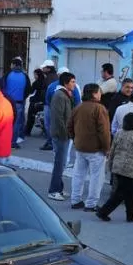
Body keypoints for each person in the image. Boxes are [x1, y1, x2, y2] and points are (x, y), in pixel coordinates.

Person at [97, 112, 133, 223]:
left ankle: (132, 215)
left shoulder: (119, 133)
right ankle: (103, 212)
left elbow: (113, 150)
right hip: (130, 169)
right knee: (121, 194)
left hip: (118, 167)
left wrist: (110, 165)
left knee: (129, 193)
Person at [67, 84, 111, 211]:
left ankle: (75, 200)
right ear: (94, 93)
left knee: (78, 174)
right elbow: (104, 131)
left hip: (80, 147)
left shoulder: (78, 107)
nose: (100, 94)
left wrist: (75, 139)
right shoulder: (99, 108)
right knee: (96, 177)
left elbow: (69, 126)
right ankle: (91, 204)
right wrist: (107, 148)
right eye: (99, 92)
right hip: (96, 149)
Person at [47, 71, 76, 200]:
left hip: (64, 134)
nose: (75, 84)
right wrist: (66, 134)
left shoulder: (66, 94)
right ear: (66, 83)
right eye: (73, 82)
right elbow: (58, 118)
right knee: (60, 163)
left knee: (62, 163)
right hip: (60, 135)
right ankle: (53, 190)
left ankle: (59, 188)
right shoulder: (59, 95)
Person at [43, 66, 82, 151]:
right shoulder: (59, 92)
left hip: (61, 122)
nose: (74, 84)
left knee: (59, 151)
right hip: (64, 124)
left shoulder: (53, 87)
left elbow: (48, 100)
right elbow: (77, 101)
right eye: (72, 81)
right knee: (62, 152)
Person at [1, 57, 30, 148]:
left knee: (6, 121)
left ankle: (4, 140)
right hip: (18, 102)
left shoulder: (8, 74)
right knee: (16, 123)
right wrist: (22, 97)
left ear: (13, 65)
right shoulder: (25, 76)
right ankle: (13, 142)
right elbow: (28, 89)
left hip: (7, 101)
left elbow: (2, 85)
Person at [24, 68, 47, 137]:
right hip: (43, 102)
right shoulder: (45, 81)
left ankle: (27, 131)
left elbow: (31, 91)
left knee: (31, 116)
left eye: (34, 74)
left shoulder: (36, 83)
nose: (34, 76)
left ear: (37, 75)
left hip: (35, 102)